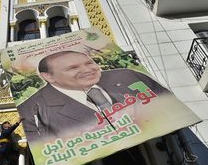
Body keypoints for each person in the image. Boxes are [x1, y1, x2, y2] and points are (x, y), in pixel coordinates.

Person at [18, 50, 170, 142]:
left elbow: (169, 105)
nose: (88, 70)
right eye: (73, 68)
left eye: (89, 63)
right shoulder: (32, 109)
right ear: (48, 76)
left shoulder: (128, 76)